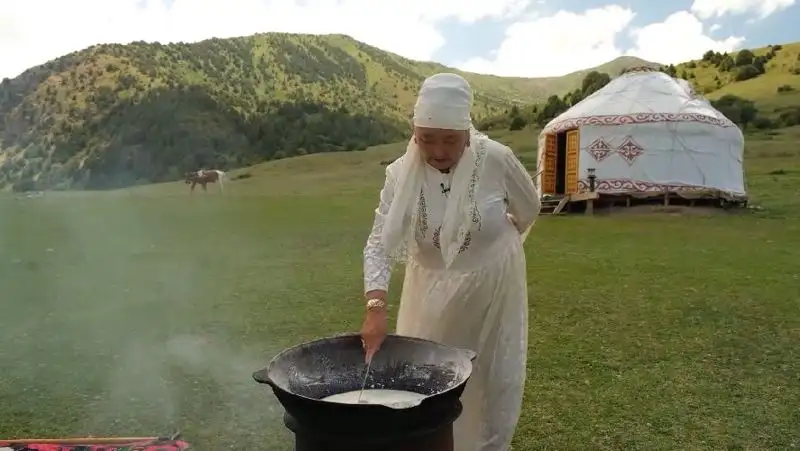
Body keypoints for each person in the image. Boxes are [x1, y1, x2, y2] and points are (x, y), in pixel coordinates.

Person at [360, 73, 541, 451]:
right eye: (427, 139)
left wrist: (496, 240)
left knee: (489, 377)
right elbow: (379, 240)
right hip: (428, 285)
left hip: (492, 283)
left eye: (449, 140)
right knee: (427, 376)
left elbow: (529, 207)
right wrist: (375, 307)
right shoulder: (399, 174)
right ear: (414, 133)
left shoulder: (496, 159)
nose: (438, 151)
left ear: (467, 132)